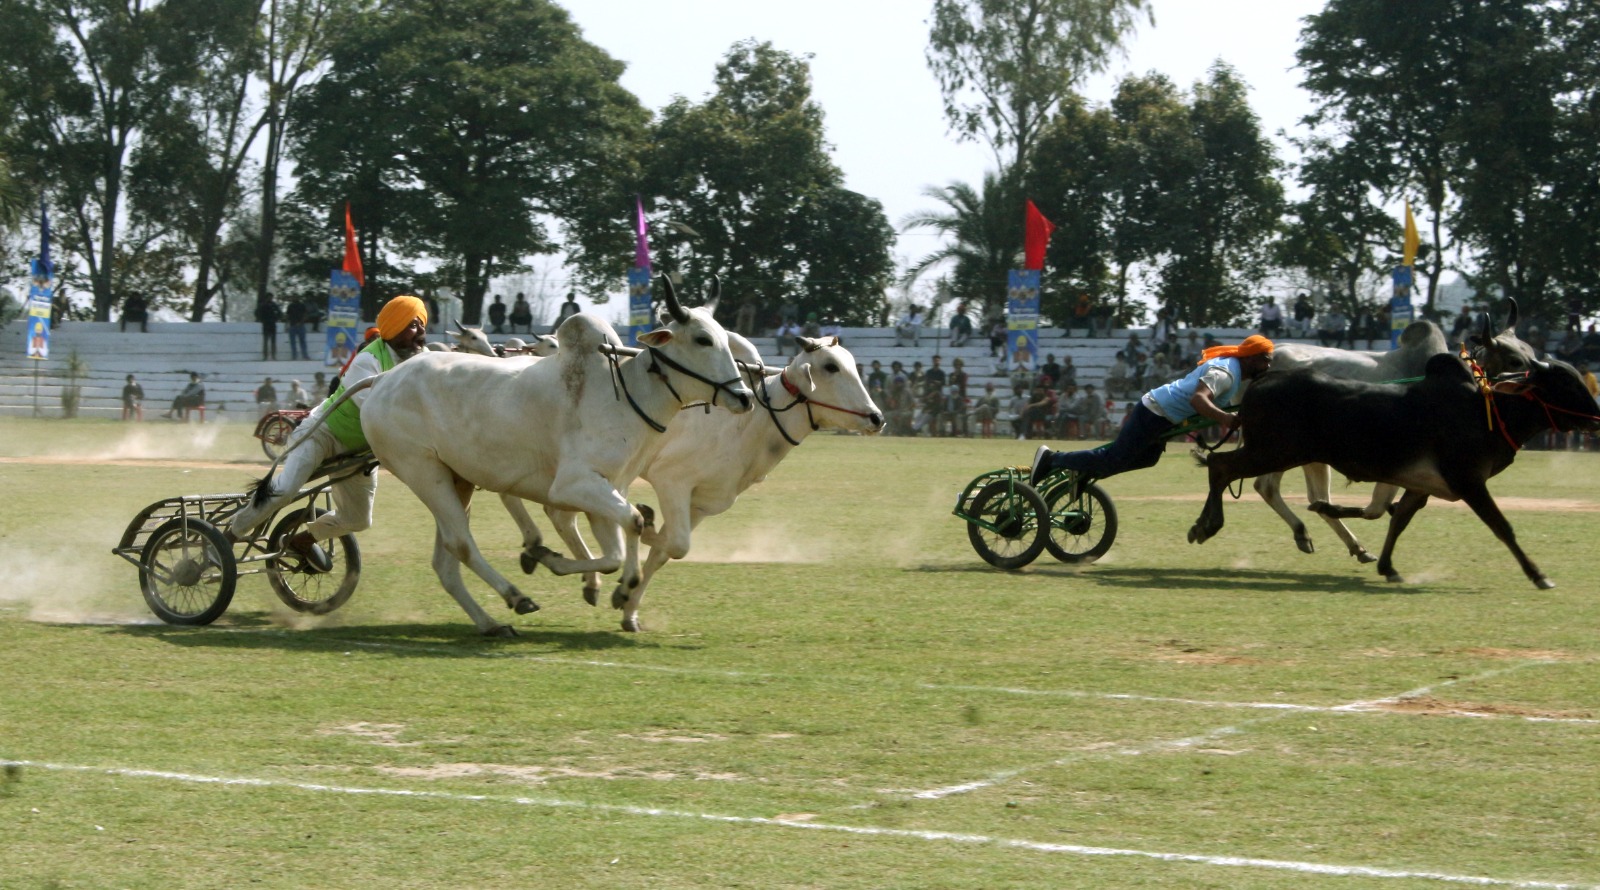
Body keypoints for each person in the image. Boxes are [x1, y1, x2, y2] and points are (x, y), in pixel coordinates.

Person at [226, 296, 430, 569]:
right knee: (285, 490)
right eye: (412, 326)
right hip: (323, 433)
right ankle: (228, 535)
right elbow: (376, 415)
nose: (420, 333)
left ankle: (302, 540)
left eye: (421, 324)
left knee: (358, 520)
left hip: (358, 451)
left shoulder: (422, 360)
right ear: (393, 329)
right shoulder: (368, 360)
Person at [1028, 335, 1276, 488]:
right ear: (1251, 358)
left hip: (1163, 418)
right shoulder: (1226, 372)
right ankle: (1052, 459)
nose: (1268, 365)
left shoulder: (1233, 371)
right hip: (1155, 411)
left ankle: (1087, 469)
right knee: (1114, 458)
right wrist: (1225, 418)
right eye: (1265, 359)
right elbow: (1198, 400)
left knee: (1147, 458)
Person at [257, 293, 280, 360]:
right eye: (269, 297)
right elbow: (257, 313)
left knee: (273, 341)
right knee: (265, 341)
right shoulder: (262, 305)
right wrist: (262, 320)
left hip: (272, 324)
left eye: (271, 297)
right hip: (266, 324)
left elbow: (279, 313)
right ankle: (265, 356)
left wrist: (276, 319)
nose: (270, 298)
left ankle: (273, 355)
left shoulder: (274, 305)